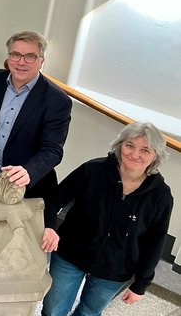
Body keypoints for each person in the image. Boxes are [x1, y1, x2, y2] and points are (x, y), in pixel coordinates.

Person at [41, 122, 173, 316]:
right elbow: (53, 200)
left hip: (115, 270)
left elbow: (155, 242)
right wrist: (50, 227)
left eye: (145, 150)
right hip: (70, 256)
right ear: (120, 145)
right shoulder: (92, 170)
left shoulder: (161, 196)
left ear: (156, 155)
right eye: (130, 145)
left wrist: (141, 284)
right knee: (53, 310)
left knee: (89, 313)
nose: (135, 154)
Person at [0, 31, 72, 250]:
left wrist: (28, 171)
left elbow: (53, 150)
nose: (21, 62)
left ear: (41, 61)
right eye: (15, 54)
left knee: (10, 247)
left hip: (23, 186)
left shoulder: (57, 100)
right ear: (8, 57)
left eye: (30, 56)